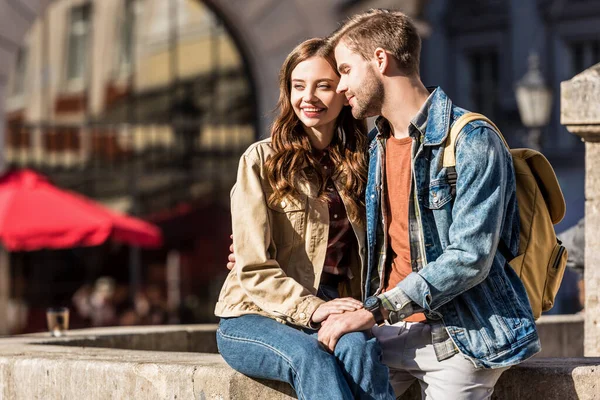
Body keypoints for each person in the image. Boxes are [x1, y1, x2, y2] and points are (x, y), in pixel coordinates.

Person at [314, 9, 541, 399]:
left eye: (347, 70)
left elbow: (470, 256)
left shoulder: (471, 138)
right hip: (385, 334)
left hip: (458, 339)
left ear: (380, 60)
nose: (340, 87)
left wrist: (377, 309)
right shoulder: (376, 147)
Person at [214, 38, 395, 400]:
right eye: (299, 86)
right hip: (253, 314)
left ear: (344, 92)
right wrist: (314, 308)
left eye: (323, 86)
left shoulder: (363, 164)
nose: (308, 97)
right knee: (310, 357)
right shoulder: (260, 161)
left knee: (360, 350)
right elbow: (252, 267)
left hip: (334, 305)